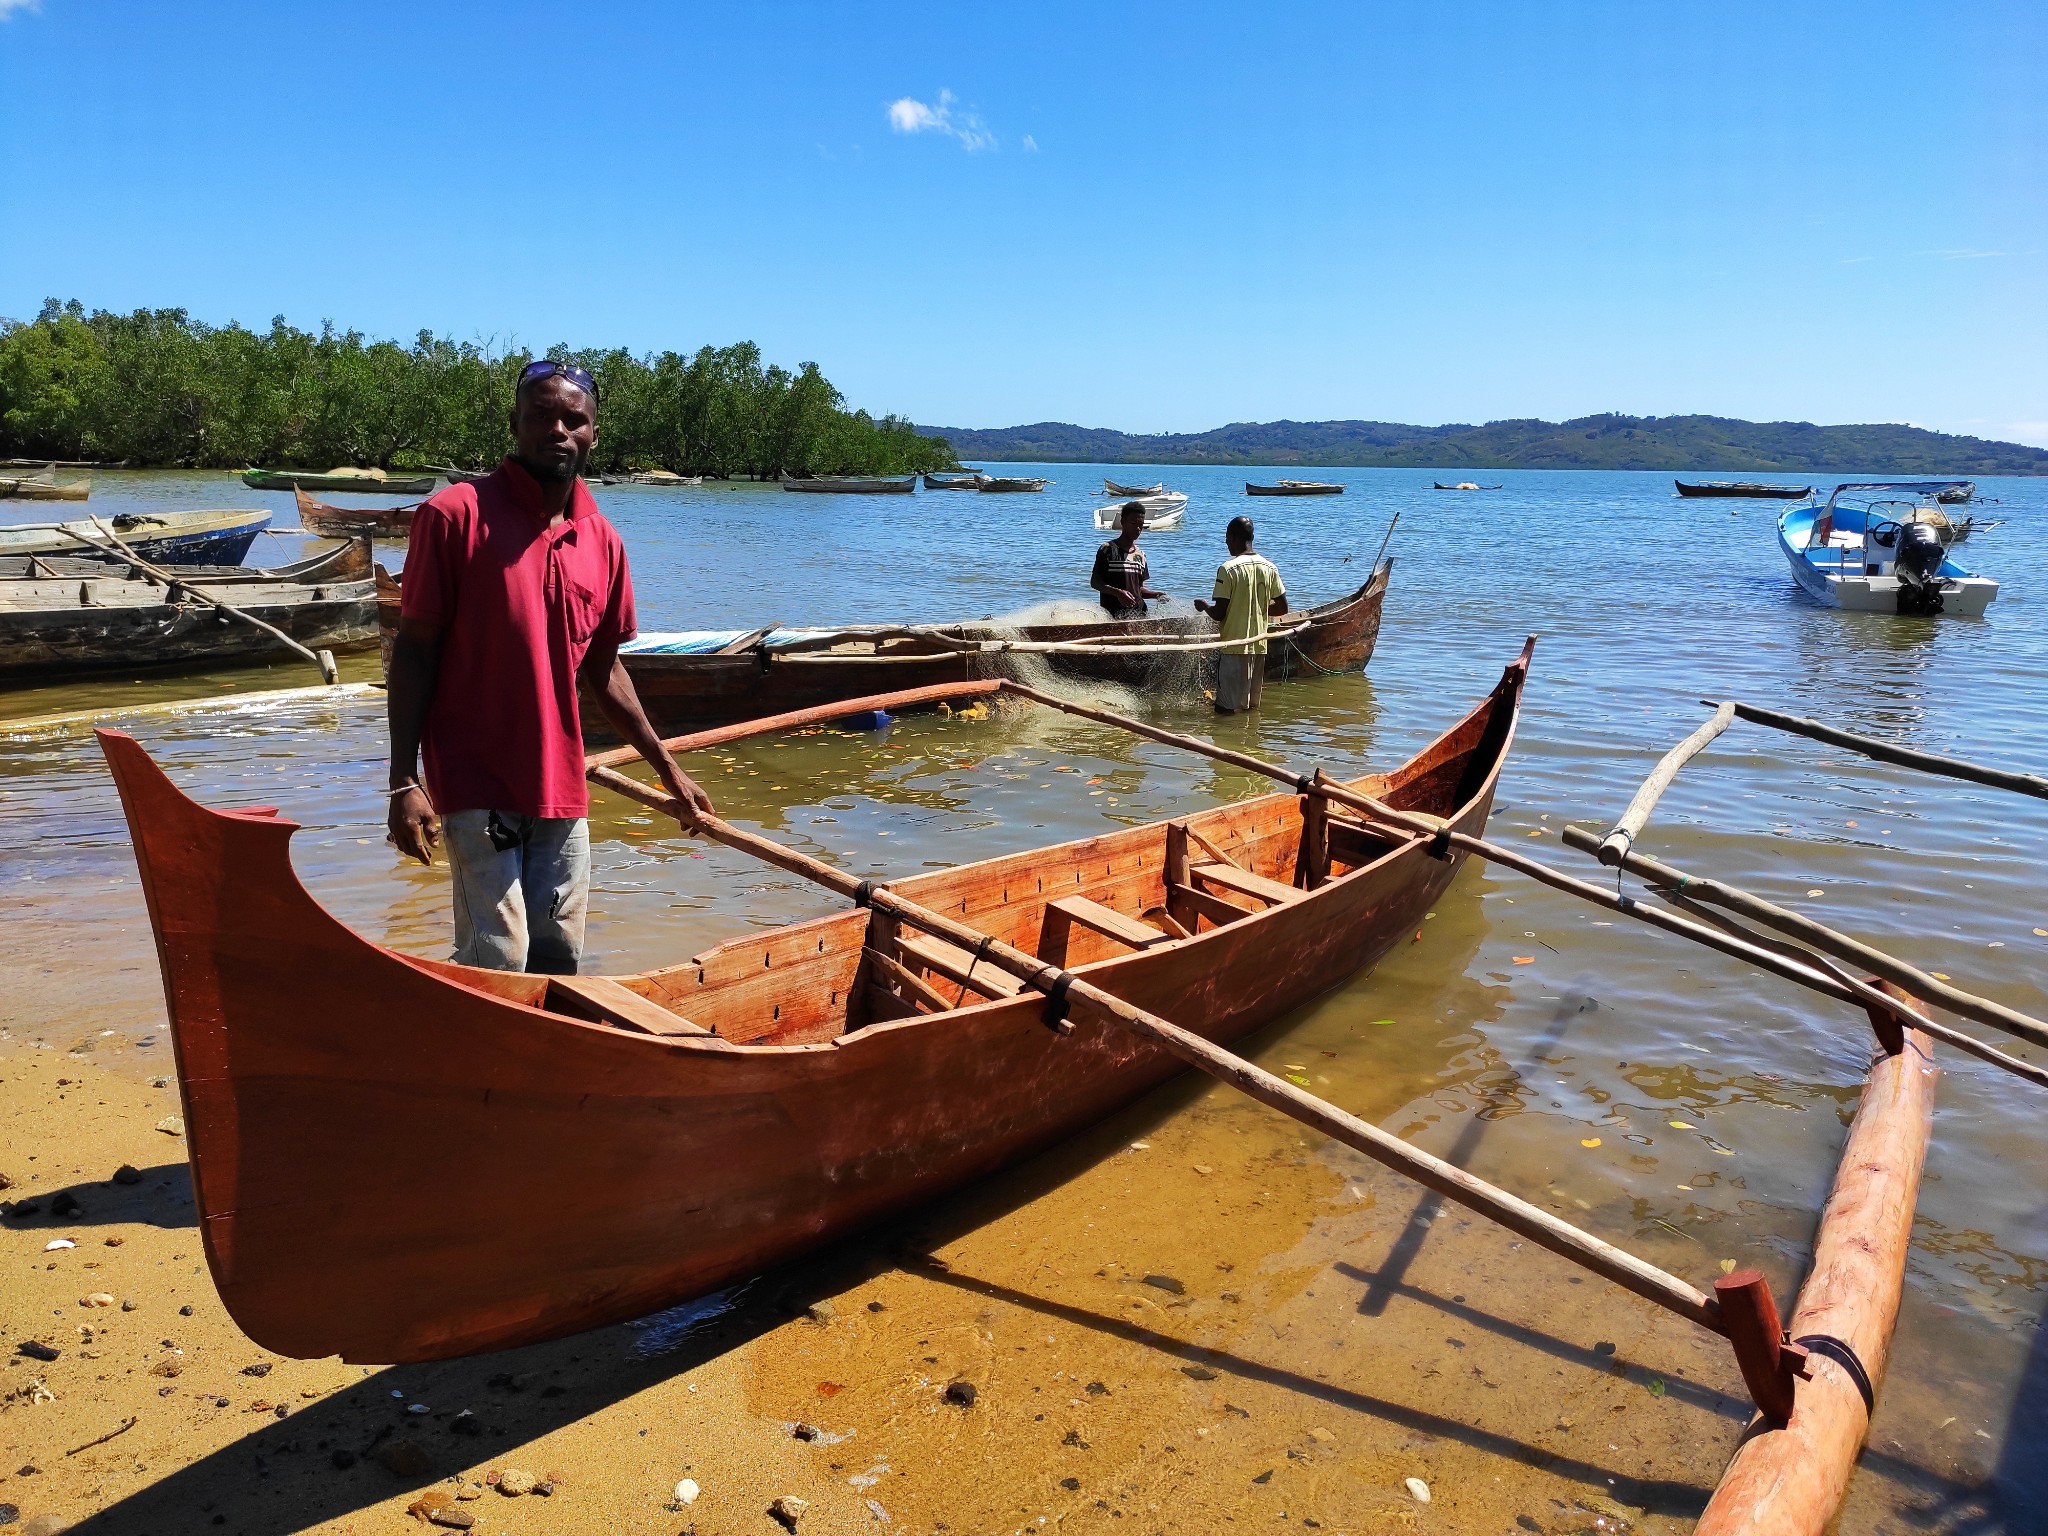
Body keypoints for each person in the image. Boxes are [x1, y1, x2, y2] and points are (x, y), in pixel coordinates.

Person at [385, 358, 714, 974]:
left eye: (573, 419)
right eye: (541, 415)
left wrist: (668, 770)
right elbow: (414, 650)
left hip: (561, 785)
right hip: (475, 780)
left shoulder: (603, 540)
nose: (557, 429)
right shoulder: (456, 515)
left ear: (592, 434)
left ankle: (544, 1068)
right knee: (497, 956)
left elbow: (605, 670)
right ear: (515, 423)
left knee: (561, 953)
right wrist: (405, 781)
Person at [1195, 515, 1287, 715]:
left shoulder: (1227, 569)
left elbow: (1219, 613)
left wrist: (1204, 606)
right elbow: (1282, 609)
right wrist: (1257, 608)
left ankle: (1225, 742)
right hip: (1259, 647)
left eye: (1227, 539)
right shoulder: (1270, 568)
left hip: (1234, 649)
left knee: (1225, 710)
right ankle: (1248, 742)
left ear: (1235, 537)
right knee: (1250, 708)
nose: (1227, 544)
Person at [1089, 502, 1167, 617]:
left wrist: (1156, 595)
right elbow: (1095, 583)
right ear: (1122, 522)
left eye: (1141, 524)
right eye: (1133, 523)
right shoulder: (1108, 549)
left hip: (1139, 615)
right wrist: (1118, 593)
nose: (1138, 529)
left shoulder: (1140, 555)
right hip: (1113, 616)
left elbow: (1138, 590)